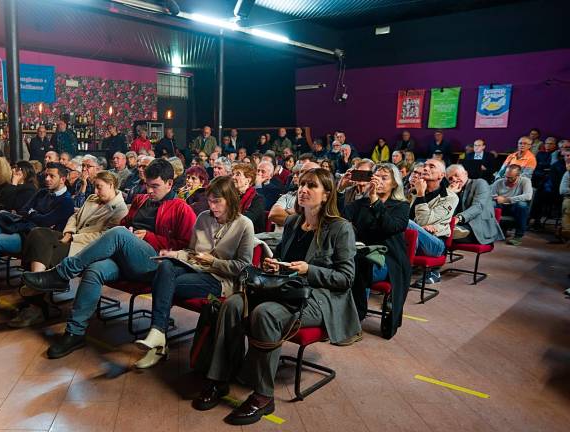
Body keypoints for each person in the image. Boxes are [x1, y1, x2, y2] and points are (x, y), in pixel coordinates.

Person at [193, 168, 360, 425]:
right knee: (233, 304)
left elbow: (346, 279)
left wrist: (309, 270)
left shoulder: (340, 228)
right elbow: (282, 257)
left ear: (326, 194)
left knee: (264, 313)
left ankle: (263, 395)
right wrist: (275, 264)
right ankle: (219, 379)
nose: (303, 190)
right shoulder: (293, 222)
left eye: (311, 186)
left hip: (318, 298)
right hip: (284, 288)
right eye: (301, 184)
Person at [20, 159, 197, 359]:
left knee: (119, 233)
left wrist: (147, 237)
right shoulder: (140, 200)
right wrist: (130, 230)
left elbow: (185, 247)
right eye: (147, 185)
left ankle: (61, 273)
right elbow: (125, 223)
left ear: (170, 184)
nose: (149, 190)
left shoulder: (182, 208)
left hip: (154, 264)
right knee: (95, 269)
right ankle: (74, 332)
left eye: (155, 186)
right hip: (127, 258)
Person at [134, 175, 255, 368]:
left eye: (217, 201)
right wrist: (174, 254)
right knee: (165, 265)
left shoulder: (244, 224)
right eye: (209, 201)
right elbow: (191, 252)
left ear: (230, 199)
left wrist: (213, 261)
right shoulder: (203, 217)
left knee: (165, 282)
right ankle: (157, 335)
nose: (212, 206)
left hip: (220, 280)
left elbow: (243, 267)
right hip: (196, 269)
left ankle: (158, 340)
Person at [10, 170, 128, 327]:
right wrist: (69, 232)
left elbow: (104, 237)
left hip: (87, 249)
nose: (95, 191)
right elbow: (75, 216)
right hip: (71, 238)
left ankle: (36, 300)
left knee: (46, 250)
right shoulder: (93, 198)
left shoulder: (120, 210)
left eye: (99, 187)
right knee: (37, 233)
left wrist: (74, 237)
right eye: (94, 187)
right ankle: (39, 283)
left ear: (111, 185)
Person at [0, 163, 75, 308]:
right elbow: (24, 210)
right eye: (46, 175)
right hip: (25, 230)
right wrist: (34, 214)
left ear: (62, 179)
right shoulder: (42, 192)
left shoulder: (66, 201)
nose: (47, 179)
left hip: (42, 241)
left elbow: (46, 221)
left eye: (51, 176)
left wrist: (33, 213)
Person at [343, 163, 410, 336]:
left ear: (394, 184)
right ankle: (341, 311)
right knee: (345, 259)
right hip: (362, 255)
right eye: (376, 176)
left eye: (384, 178)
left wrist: (375, 201)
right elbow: (339, 214)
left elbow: (390, 227)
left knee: (357, 262)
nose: (378, 181)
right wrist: (340, 189)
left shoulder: (401, 206)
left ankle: (356, 315)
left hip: (388, 261)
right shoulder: (362, 203)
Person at [407, 159, 458, 284]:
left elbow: (423, 221)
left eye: (431, 166)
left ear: (441, 175)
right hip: (416, 238)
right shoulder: (414, 192)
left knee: (407, 223)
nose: (425, 168)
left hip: (436, 244)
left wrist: (420, 194)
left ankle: (401, 276)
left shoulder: (450, 197)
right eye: (424, 166)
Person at [446, 164, 504, 244]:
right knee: (439, 234)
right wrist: (451, 194)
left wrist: (458, 218)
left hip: (479, 229)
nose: (454, 179)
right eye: (450, 178)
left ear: (465, 173)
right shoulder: (451, 190)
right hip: (459, 226)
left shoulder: (480, 183)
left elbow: (478, 206)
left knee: (442, 235)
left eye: (456, 175)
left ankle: (449, 232)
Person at [492, 164, 533, 246]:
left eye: (510, 177)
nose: (507, 179)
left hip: (515, 206)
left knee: (522, 205)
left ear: (518, 176)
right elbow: (491, 195)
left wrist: (508, 199)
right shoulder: (498, 182)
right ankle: (492, 231)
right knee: (491, 204)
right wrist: (496, 198)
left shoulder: (525, 181)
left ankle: (518, 236)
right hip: (501, 206)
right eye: (506, 176)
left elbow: (528, 196)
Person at [231, 163, 266, 233]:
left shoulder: (258, 199)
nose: (233, 177)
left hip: (252, 236)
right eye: (233, 174)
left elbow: (246, 221)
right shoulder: (230, 196)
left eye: (237, 174)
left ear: (248, 180)